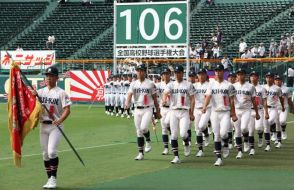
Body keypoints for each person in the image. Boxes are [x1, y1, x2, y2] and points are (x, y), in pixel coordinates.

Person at [36, 66, 71, 189]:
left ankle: (53, 178)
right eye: (47, 76)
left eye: (51, 76)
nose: (48, 78)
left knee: (52, 152)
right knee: (45, 154)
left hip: (55, 126)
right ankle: (49, 179)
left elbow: (67, 110)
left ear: (57, 78)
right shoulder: (40, 92)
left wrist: (60, 119)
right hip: (43, 126)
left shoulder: (61, 92)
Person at [202, 64, 237, 166]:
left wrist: (233, 113)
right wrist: (204, 106)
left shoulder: (229, 85)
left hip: (225, 112)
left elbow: (231, 100)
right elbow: (208, 97)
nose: (217, 72)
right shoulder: (211, 84)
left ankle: (225, 144)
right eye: (216, 71)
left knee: (223, 133)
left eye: (219, 70)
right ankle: (219, 158)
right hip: (214, 112)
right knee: (217, 135)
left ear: (223, 72)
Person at [125, 64, 160, 160]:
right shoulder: (133, 83)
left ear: (145, 72)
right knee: (139, 132)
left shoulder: (150, 83)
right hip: (137, 108)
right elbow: (129, 94)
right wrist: (126, 103)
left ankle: (148, 140)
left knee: (144, 128)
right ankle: (141, 153)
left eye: (141, 70)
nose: (139, 72)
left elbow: (154, 98)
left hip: (147, 108)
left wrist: (157, 110)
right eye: (138, 71)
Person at [162, 65, 195, 164]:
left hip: (184, 111)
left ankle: (186, 143)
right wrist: (164, 100)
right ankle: (176, 157)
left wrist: (191, 112)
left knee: (183, 133)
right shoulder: (171, 85)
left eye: (179, 72)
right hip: (173, 111)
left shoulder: (188, 84)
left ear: (182, 73)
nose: (177, 74)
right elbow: (165, 93)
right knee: (174, 135)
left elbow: (193, 99)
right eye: (175, 73)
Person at [233, 69, 260, 158]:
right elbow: (231, 100)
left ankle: (246, 140)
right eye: (238, 74)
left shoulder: (250, 87)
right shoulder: (233, 86)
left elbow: (254, 101)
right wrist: (232, 112)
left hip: (247, 110)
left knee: (244, 128)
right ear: (237, 76)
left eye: (242, 74)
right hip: (237, 110)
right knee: (237, 131)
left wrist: (256, 113)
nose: (240, 76)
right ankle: (239, 151)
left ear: (245, 75)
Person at [263, 72, 285, 151]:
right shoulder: (263, 87)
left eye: (270, 77)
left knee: (271, 121)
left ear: (273, 78)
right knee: (266, 128)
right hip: (265, 108)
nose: (269, 79)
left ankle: (278, 140)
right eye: (267, 77)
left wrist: (282, 106)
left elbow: (281, 98)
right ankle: (268, 145)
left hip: (274, 108)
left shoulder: (277, 88)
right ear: (265, 78)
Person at [248, 71, 269, 150]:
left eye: (255, 76)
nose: (253, 77)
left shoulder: (262, 88)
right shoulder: (247, 87)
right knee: (250, 130)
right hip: (249, 110)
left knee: (259, 127)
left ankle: (260, 136)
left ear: (258, 78)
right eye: (251, 76)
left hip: (259, 110)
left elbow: (264, 100)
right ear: (249, 78)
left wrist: (266, 112)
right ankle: (251, 148)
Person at [193, 68, 211, 157]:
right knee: (197, 130)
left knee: (201, 126)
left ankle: (206, 134)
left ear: (205, 75)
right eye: (199, 74)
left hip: (207, 108)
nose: (201, 76)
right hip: (197, 109)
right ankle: (200, 150)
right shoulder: (194, 85)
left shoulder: (209, 85)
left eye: (202, 74)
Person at [274, 75, 294, 141]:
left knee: (282, 121)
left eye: (279, 80)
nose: (278, 81)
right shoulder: (271, 88)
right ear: (274, 81)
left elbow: (289, 99)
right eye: (276, 80)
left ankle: (283, 130)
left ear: (281, 81)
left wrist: (292, 108)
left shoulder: (286, 89)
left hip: (284, 108)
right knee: (275, 123)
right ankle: (276, 137)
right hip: (274, 108)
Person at [157, 68, 172, 155]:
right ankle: (166, 148)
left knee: (167, 124)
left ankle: (172, 135)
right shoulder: (159, 85)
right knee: (163, 128)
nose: (165, 75)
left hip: (171, 108)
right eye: (163, 74)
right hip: (163, 108)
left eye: (167, 74)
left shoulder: (173, 84)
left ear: (170, 74)